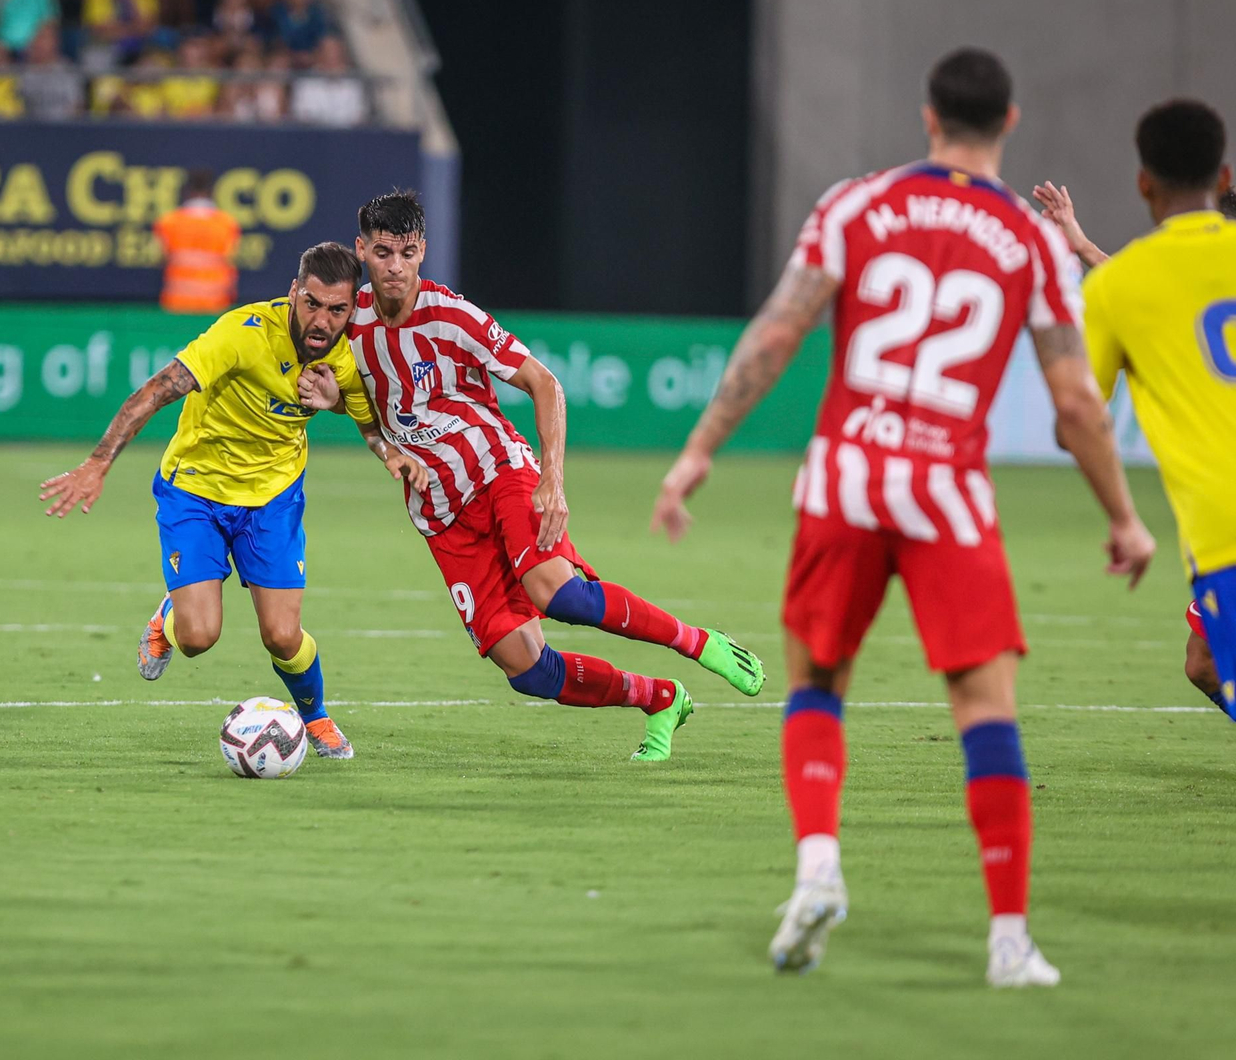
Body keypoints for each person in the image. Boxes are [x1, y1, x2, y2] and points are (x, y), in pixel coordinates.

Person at [650, 48, 1154, 986]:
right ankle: (1008, 938)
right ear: (1008, 122)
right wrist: (1124, 516)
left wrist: (699, 449)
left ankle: (817, 872)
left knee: (817, 681)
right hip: (948, 494)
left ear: (929, 118)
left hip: (844, 478)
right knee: (984, 706)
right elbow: (1078, 404)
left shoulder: (855, 204)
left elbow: (776, 333)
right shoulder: (1031, 239)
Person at [298, 190, 765, 764]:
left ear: (424, 252)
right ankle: (660, 699)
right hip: (441, 512)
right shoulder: (349, 319)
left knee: (559, 593)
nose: (396, 266)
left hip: (499, 470)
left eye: (408, 252)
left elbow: (546, 383)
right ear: (361, 249)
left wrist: (553, 480)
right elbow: (387, 405)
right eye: (384, 251)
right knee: (527, 669)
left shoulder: (454, 316)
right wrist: (335, 400)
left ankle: (699, 642)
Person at [38, 243, 424, 761]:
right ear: (294, 292)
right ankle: (167, 619)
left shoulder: (346, 353)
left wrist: (386, 453)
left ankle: (316, 717)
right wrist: (98, 462)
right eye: (311, 303)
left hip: (273, 499)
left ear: (350, 308)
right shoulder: (241, 335)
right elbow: (157, 390)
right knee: (198, 637)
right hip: (197, 489)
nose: (322, 320)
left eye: (336, 310)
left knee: (284, 637)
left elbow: (365, 418)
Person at [1032, 176, 1236, 711]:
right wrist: (1079, 243)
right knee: (1204, 664)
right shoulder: (1189, 290)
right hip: (1221, 517)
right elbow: (1148, 285)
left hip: (1220, 521)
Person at [153, 168, 241, 313]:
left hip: (178, 302)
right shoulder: (227, 224)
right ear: (211, 192)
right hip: (215, 302)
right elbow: (231, 260)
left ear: (186, 192)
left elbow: (159, 258)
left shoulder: (169, 222)